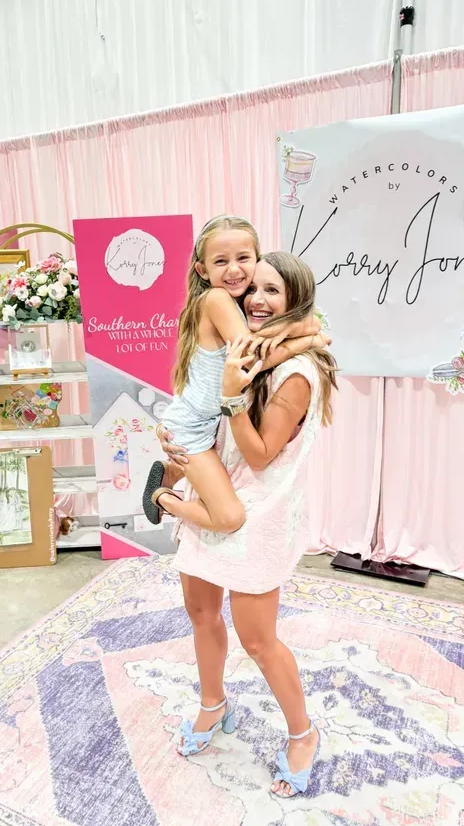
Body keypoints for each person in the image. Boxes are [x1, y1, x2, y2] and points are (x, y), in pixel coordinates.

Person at [157, 251, 337, 798]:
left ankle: (302, 734)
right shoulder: (252, 346)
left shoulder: (298, 374)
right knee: (201, 614)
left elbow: (259, 456)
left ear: (294, 299)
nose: (255, 300)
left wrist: (234, 399)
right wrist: (181, 439)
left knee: (258, 640)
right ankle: (213, 705)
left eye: (271, 292)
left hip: (256, 514)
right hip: (212, 490)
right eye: (251, 289)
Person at [142, 214, 327, 535]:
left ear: (258, 258)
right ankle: (160, 497)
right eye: (220, 261)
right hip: (192, 432)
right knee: (229, 519)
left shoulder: (243, 303)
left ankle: (172, 472)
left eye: (243, 258)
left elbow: (272, 341)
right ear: (202, 270)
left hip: (209, 426)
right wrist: (310, 335)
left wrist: (311, 328)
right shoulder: (216, 299)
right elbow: (253, 357)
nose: (234, 269)